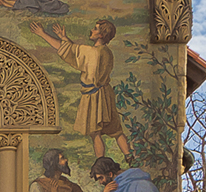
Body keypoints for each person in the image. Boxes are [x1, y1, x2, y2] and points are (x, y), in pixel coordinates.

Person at [31, 17, 131, 159]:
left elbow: (69, 50)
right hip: (106, 93)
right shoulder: (106, 51)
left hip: (93, 96)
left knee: (95, 133)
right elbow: (76, 52)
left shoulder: (91, 52)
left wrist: (42, 33)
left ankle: (100, 163)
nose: (92, 30)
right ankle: (129, 156)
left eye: (95, 29)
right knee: (116, 131)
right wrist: (64, 37)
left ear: (101, 35)